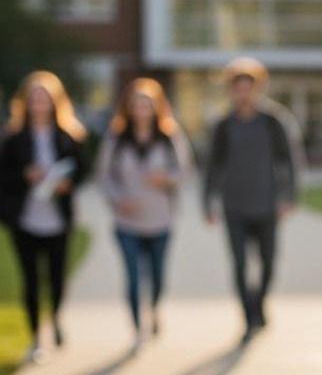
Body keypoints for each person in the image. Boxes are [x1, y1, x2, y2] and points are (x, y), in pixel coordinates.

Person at [203, 58, 302, 342]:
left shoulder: (273, 122)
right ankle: (248, 318)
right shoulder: (223, 125)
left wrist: (288, 196)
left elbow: (289, 161)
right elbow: (212, 166)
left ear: (257, 89)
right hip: (233, 205)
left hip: (267, 203)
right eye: (239, 88)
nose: (244, 93)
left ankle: (259, 303)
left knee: (269, 262)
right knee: (239, 264)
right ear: (232, 91)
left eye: (249, 87)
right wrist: (207, 204)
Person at [98, 78, 192, 350]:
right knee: (133, 277)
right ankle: (138, 327)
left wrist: (166, 179)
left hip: (160, 219)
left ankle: (154, 309)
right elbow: (103, 176)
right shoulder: (116, 139)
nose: (141, 110)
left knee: (158, 276)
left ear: (156, 107)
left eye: (147, 105)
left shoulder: (169, 136)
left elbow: (185, 171)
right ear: (128, 108)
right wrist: (117, 200)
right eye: (136, 105)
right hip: (126, 220)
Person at [0, 71, 87, 363]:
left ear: (55, 102)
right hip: (25, 218)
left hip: (58, 218)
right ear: (25, 102)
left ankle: (57, 316)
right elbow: (4, 176)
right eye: (34, 98)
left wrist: (68, 184)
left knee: (57, 277)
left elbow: (82, 169)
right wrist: (25, 175)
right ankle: (36, 335)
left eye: (45, 98)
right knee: (31, 280)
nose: (39, 104)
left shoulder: (68, 136)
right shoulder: (13, 139)